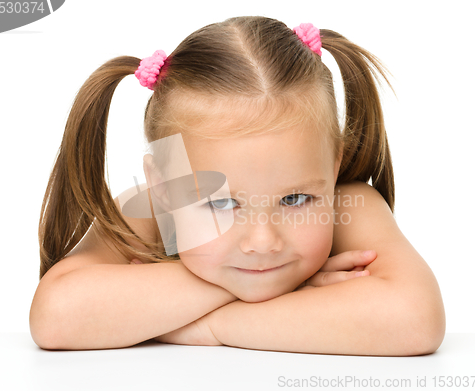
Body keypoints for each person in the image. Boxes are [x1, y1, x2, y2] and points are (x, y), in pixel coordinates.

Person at [30, 16, 445, 355]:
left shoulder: (349, 204)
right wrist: (286, 292)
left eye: (296, 199)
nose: (262, 243)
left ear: (333, 168)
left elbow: (415, 321)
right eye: (220, 203)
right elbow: (55, 317)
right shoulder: (152, 214)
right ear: (163, 187)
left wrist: (211, 326)